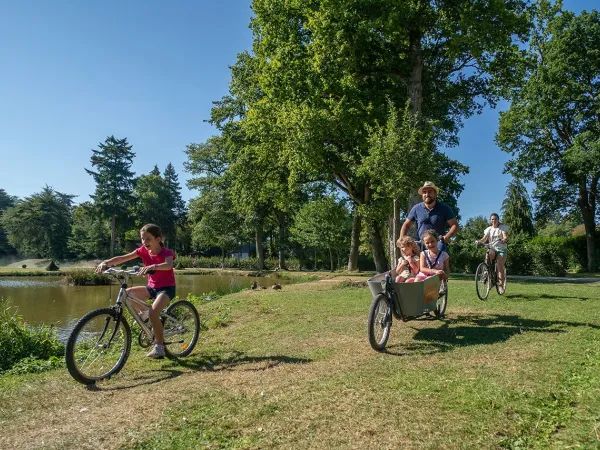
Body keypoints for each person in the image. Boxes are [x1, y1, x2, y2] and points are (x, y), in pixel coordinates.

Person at [95, 223, 176, 359]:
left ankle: (160, 347)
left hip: (166, 289)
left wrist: (153, 266)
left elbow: (168, 265)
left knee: (153, 312)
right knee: (126, 294)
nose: (144, 242)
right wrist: (106, 262)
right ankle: (145, 313)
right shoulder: (142, 251)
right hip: (152, 288)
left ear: (158, 239)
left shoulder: (167, 253)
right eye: (142, 239)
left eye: (148, 239)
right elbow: (123, 258)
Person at [399, 181, 459, 251]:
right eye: (424, 192)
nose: (427, 194)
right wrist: (402, 240)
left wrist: (446, 237)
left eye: (430, 192)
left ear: (435, 194)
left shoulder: (444, 208)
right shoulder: (416, 208)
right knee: (409, 258)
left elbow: (455, 225)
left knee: (440, 250)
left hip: (438, 243)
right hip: (421, 244)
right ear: (422, 195)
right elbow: (406, 225)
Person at [476, 213, 509, 294]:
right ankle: (487, 273)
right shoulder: (489, 229)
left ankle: (501, 286)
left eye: (495, 219)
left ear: (498, 220)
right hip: (493, 249)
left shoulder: (502, 228)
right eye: (492, 219)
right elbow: (484, 239)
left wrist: (504, 240)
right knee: (488, 254)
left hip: (501, 250)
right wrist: (479, 241)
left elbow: (505, 236)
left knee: (499, 265)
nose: (493, 221)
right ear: (490, 220)